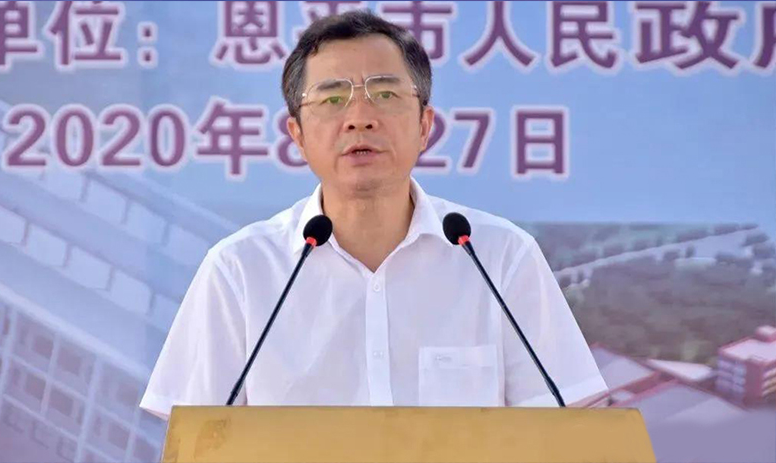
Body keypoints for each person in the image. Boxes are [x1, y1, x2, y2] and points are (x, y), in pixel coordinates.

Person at [140, 10, 607, 419]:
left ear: (425, 125)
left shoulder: (500, 256)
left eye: (384, 94)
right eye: (331, 99)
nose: (360, 117)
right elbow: (198, 439)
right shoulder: (240, 269)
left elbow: (560, 434)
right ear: (297, 135)